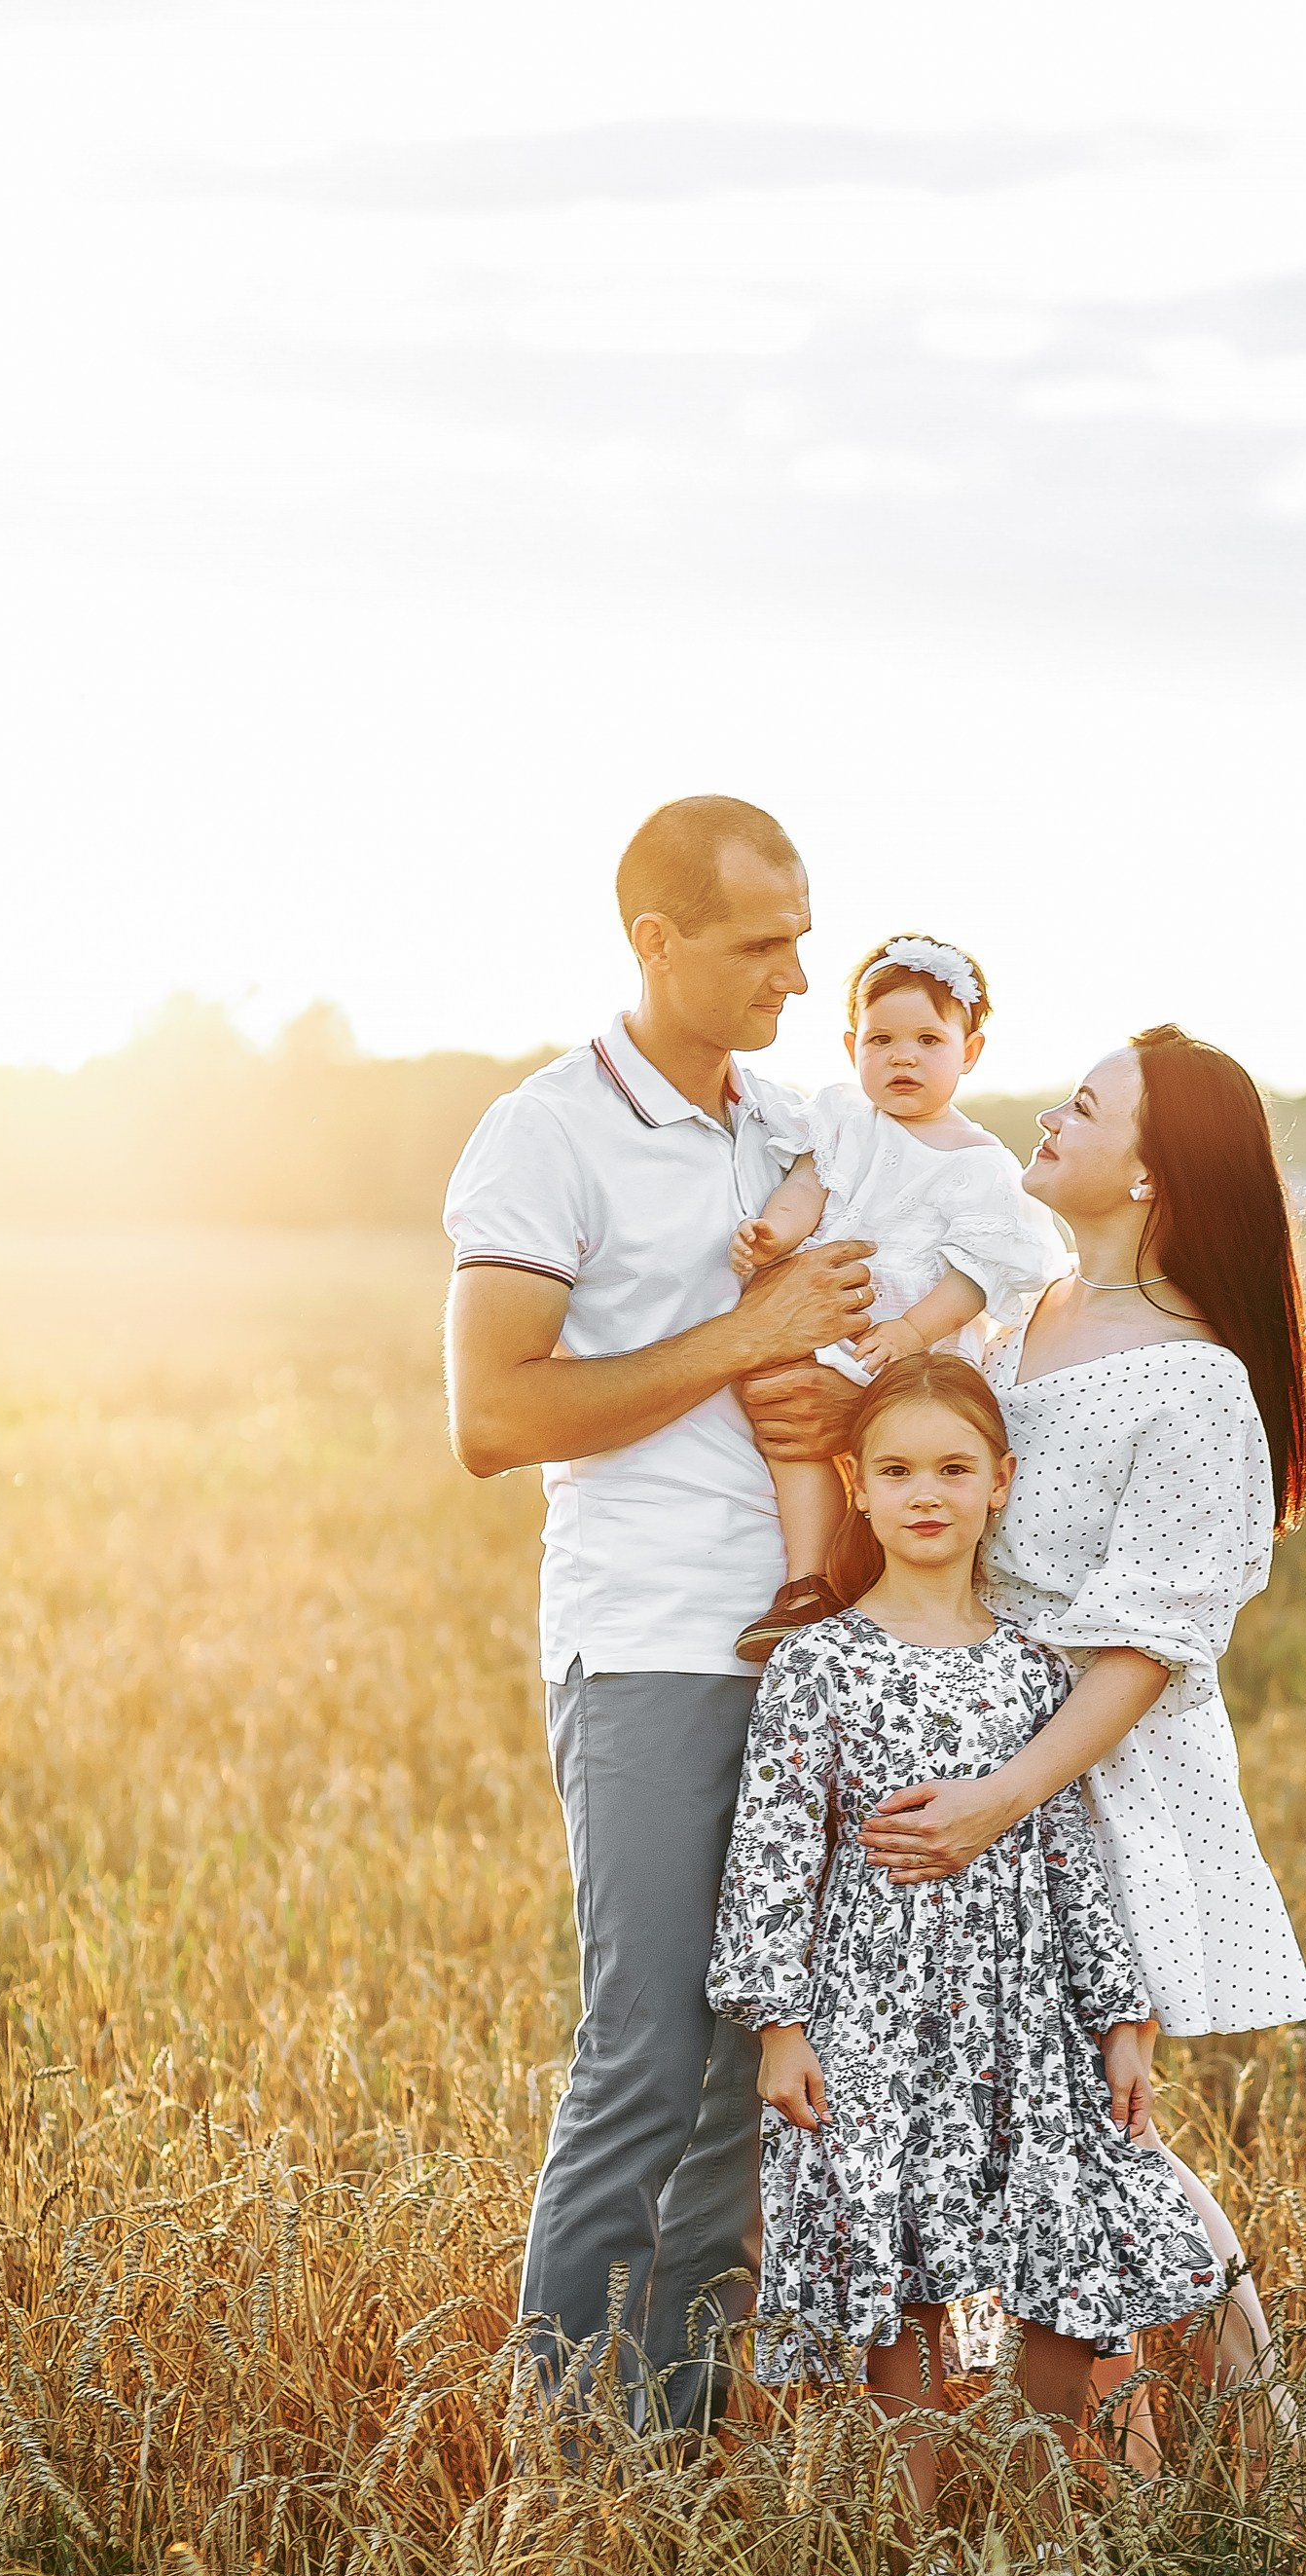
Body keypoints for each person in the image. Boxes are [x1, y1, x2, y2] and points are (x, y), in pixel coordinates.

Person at [442, 794, 872, 2432]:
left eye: (802, 933)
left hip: (808, 1653)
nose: (795, 970)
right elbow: (493, 1418)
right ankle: (562, 2452)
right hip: (648, 1652)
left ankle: (672, 2442)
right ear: (657, 941)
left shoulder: (790, 1137)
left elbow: (831, 1367)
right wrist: (739, 1332)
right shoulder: (545, 1133)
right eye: (764, 942)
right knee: (642, 2049)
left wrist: (827, 1406)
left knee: (748, 2075)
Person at [853, 1022, 1306, 2450]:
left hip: (1089, 1783)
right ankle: (1028, 2428)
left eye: (1087, 1107)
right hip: (988, 1756)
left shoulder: (1193, 1377)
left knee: (1091, 2136)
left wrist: (1006, 1796)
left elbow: (1148, 1647)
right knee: (996, 2123)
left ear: (1154, 1173)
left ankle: (1271, 2450)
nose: (1052, 1119)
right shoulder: (1025, 1316)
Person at [706, 1356, 1230, 2511]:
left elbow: (1066, 1853)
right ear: (851, 1484)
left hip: (1020, 2024)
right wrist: (778, 2027)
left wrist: (1119, 2019)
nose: (924, 1493)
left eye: (952, 1468)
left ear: (1001, 1482)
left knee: (1024, 2268)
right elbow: (777, 1852)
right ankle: (921, 2540)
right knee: (907, 2284)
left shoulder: (1036, 1671)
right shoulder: (819, 1662)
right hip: (875, 2024)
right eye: (894, 1470)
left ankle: (1033, 2538)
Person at [728, 934, 1065, 1664]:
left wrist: (912, 1331)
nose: (901, 1056)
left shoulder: (979, 1163)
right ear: (852, 1045)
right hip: (829, 1328)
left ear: (969, 1052)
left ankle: (903, 1607)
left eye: (927, 1040)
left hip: (913, 1347)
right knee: (796, 1432)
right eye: (881, 1040)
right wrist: (773, 1235)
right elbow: (807, 1187)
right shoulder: (845, 1121)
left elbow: (976, 1273)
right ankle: (807, 1583)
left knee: (905, 1469)